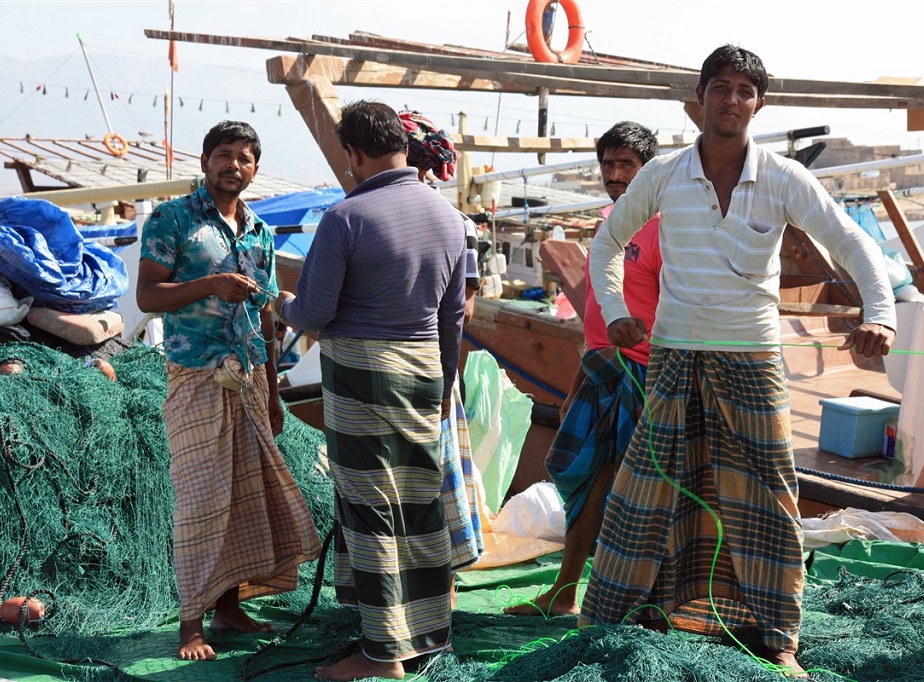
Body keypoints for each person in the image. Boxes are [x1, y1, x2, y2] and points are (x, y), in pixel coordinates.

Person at [581, 45, 896, 678]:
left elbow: (851, 242)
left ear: (759, 103)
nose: (730, 100)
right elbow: (607, 242)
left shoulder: (784, 178)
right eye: (719, 87)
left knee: (769, 496)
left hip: (753, 359)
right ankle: (618, 618)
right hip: (672, 358)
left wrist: (879, 315)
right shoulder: (664, 174)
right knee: (650, 488)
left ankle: (778, 634)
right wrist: (614, 309)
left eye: (744, 90)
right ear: (700, 97)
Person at [278, 100, 467, 682]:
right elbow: (454, 317)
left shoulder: (345, 218)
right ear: (404, 146)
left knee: (370, 507)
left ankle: (383, 655)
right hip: (424, 370)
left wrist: (276, 305)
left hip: (362, 370)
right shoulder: (451, 219)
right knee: (419, 502)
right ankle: (428, 634)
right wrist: (445, 384)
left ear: (354, 154)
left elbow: (312, 311)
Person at [136, 120, 322, 661]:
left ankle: (229, 606)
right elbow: (148, 296)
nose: (233, 165)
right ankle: (189, 623)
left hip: (252, 376)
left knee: (246, 497)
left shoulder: (260, 232)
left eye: (244, 158)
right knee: (199, 500)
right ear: (204, 161)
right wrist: (210, 285)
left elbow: (267, 316)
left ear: (255, 169)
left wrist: (271, 395)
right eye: (224, 155)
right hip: (195, 378)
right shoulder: (172, 219)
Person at [503, 121, 661, 617]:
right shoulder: (610, 222)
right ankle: (568, 592)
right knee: (583, 478)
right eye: (609, 165)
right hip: (599, 370)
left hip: (641, 375)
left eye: (627, 165)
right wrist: (577, 381)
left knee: (622, 489)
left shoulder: (666, 226)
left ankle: (610, 597)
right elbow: (595, 313)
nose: (615, 175)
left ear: (648, 169)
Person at [398, 108, 485, 593]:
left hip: (421, 366)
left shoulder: (451, 221)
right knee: (436, 470)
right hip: (434, 363)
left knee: (421, 473)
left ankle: (433, 585)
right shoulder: (458, 222)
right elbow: (465, 310)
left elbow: (463, 309)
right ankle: (437, 582)